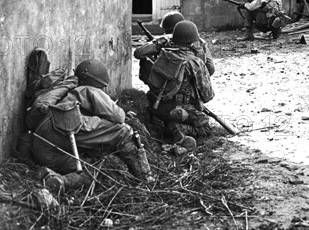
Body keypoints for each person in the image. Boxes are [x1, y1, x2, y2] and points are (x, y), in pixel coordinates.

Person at [26, 57, 151, 192]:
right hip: (62, 127)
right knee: (124, 132)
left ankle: (59, 180)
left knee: (89, 169)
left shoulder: (63, 91)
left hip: (43, 148)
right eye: (102, 87)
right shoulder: (87, 90)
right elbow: (118, 116)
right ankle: (144, 179)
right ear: (95, 82)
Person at [147, 20, 215, 151]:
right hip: (179, 110)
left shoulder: (164, 54)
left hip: (157, 105)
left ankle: (166, 125)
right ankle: (178, 129)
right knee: (205, 126)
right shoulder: (195, 62)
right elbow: (207, 95)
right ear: (193, 40)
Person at [134, 11, 184, 84]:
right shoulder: (198, 41)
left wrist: (155, 49)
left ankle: (155, 88)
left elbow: (138, 53)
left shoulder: (165, 40)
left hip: (169, 80)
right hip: (190, 82)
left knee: (145, 59)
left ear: (165, 28)